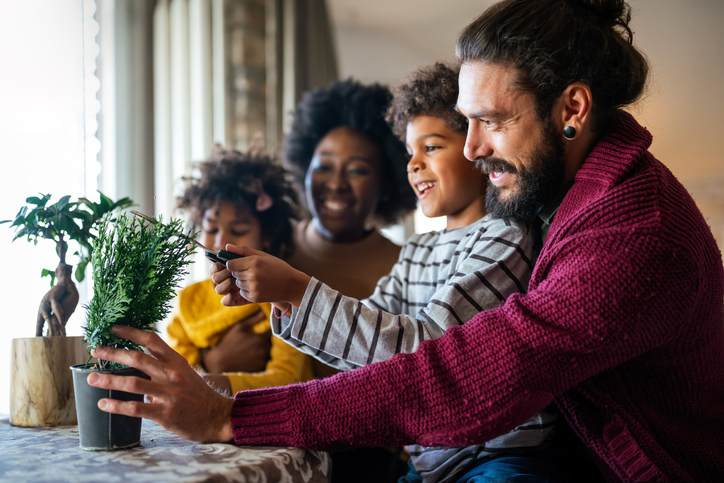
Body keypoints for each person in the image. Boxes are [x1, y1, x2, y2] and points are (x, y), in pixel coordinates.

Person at [88, 0, 724, 480]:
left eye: (492, 123)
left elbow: (462, 380)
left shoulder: (633, 233)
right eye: (466, 125)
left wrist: (230, 417)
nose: (474, 150)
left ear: (572, 110)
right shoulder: (572, 200)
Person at [166, 148, 313, 395]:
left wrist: (211, 380)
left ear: (267, 236)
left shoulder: (283, 293)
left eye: (239, 229)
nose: (221, 241)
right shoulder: (188, 301)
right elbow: (175, 378)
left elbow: (290, 378)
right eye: (211, 229)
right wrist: (215, 363)